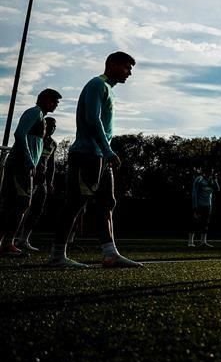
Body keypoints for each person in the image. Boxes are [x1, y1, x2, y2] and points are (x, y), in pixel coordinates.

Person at [49, 52, 141, 268]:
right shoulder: (97, 84)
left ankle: (110, 253)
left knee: (107, 203)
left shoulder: (108, 89)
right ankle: (56, 255)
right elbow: (93, 119)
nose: (130, 73)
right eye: (127, 67)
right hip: (87, 154)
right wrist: (107, 150)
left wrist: (106, 152)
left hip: (100, 155)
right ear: (112, 64)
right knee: (75, 204)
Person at [0, 89, 61, 255]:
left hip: (23, 165)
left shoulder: (40, 116)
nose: (56, 104)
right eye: (55, 101)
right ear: (46, 100)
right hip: (20, 165)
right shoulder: (34, 112)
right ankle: (8, 243)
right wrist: (28, 160)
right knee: (21, 203)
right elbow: (19, 134)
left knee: (14, 204)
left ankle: (6, 243)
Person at [15, 116, 58, 252]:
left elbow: (51, 164)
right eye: (49, 125)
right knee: (21, 207)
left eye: (54, 126)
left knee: (36, 210)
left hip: (42, 181)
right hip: (29, 177)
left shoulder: (52, 143)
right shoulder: (33, 138)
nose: (52, 128)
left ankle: (24, 239)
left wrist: (50, 182)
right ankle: (11, 238)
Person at [189, 168, 220, 247]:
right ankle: (190, 242)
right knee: (195, 223)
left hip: (208, 205)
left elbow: (217, 189)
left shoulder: (211, 181)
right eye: (208, 172)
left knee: (205, 224)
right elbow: (194, 193)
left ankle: (203, 242)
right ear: (204, 173)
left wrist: (215, 180)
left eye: (211, 173)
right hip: (199, 205)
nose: (209, 174)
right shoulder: (199, 179)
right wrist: (195, 206)